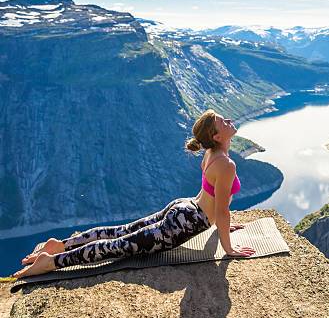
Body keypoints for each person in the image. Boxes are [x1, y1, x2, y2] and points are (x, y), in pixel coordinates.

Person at [13, 109, 255, 279]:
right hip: (188, 221)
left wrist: (222, 223)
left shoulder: (212, 154)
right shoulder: (226, 164)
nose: (229, 120)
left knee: (119, 232)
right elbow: (221, 210)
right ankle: (52, 262)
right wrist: (229, 248)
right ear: (217, 136)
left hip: (184, 207)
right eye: (224, 121)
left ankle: (62, 245)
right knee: (118, 246)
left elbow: (214, 199)